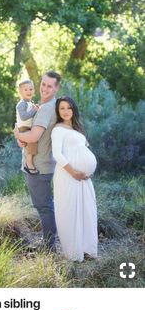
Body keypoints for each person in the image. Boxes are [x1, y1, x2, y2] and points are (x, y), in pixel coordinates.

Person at [14, 71, 61, 250]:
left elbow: (33, 136)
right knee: (46, 205)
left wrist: (18, 133)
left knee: (44, 207)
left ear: (57, 88)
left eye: (50, 85)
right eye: (43, 84)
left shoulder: (46, 108)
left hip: (39, 166)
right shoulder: (50, 105)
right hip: (46, 162)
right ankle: (49, 242)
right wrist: (21, 137)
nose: (44, 88)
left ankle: (49, 246)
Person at [51, 96, 98, 262]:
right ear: (58, 111)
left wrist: (87, 169)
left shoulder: (77, 129)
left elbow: (82, 151)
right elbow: (57, 154)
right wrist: (74, 172)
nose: (65, 111)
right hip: (67, 176)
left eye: (69, 108)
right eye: (62, 108)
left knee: (86, 211)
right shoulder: (57, 129)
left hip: (84, 179)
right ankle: (73, 254)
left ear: (73, 110)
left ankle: (87, 250)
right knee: (70, 212)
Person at [16, 79, 39, 175]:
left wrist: (36, 108)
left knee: (28, 146)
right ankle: (28, 163)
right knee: (32, 141)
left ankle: (26, 164)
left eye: (31, 89)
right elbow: (24, 117)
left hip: (27, 127)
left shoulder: (30, 102)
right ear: (20, 92)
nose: (29, 91)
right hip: (24, 128)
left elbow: (32, 111)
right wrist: (34, 110)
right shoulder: (21, 104)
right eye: (26, 90)